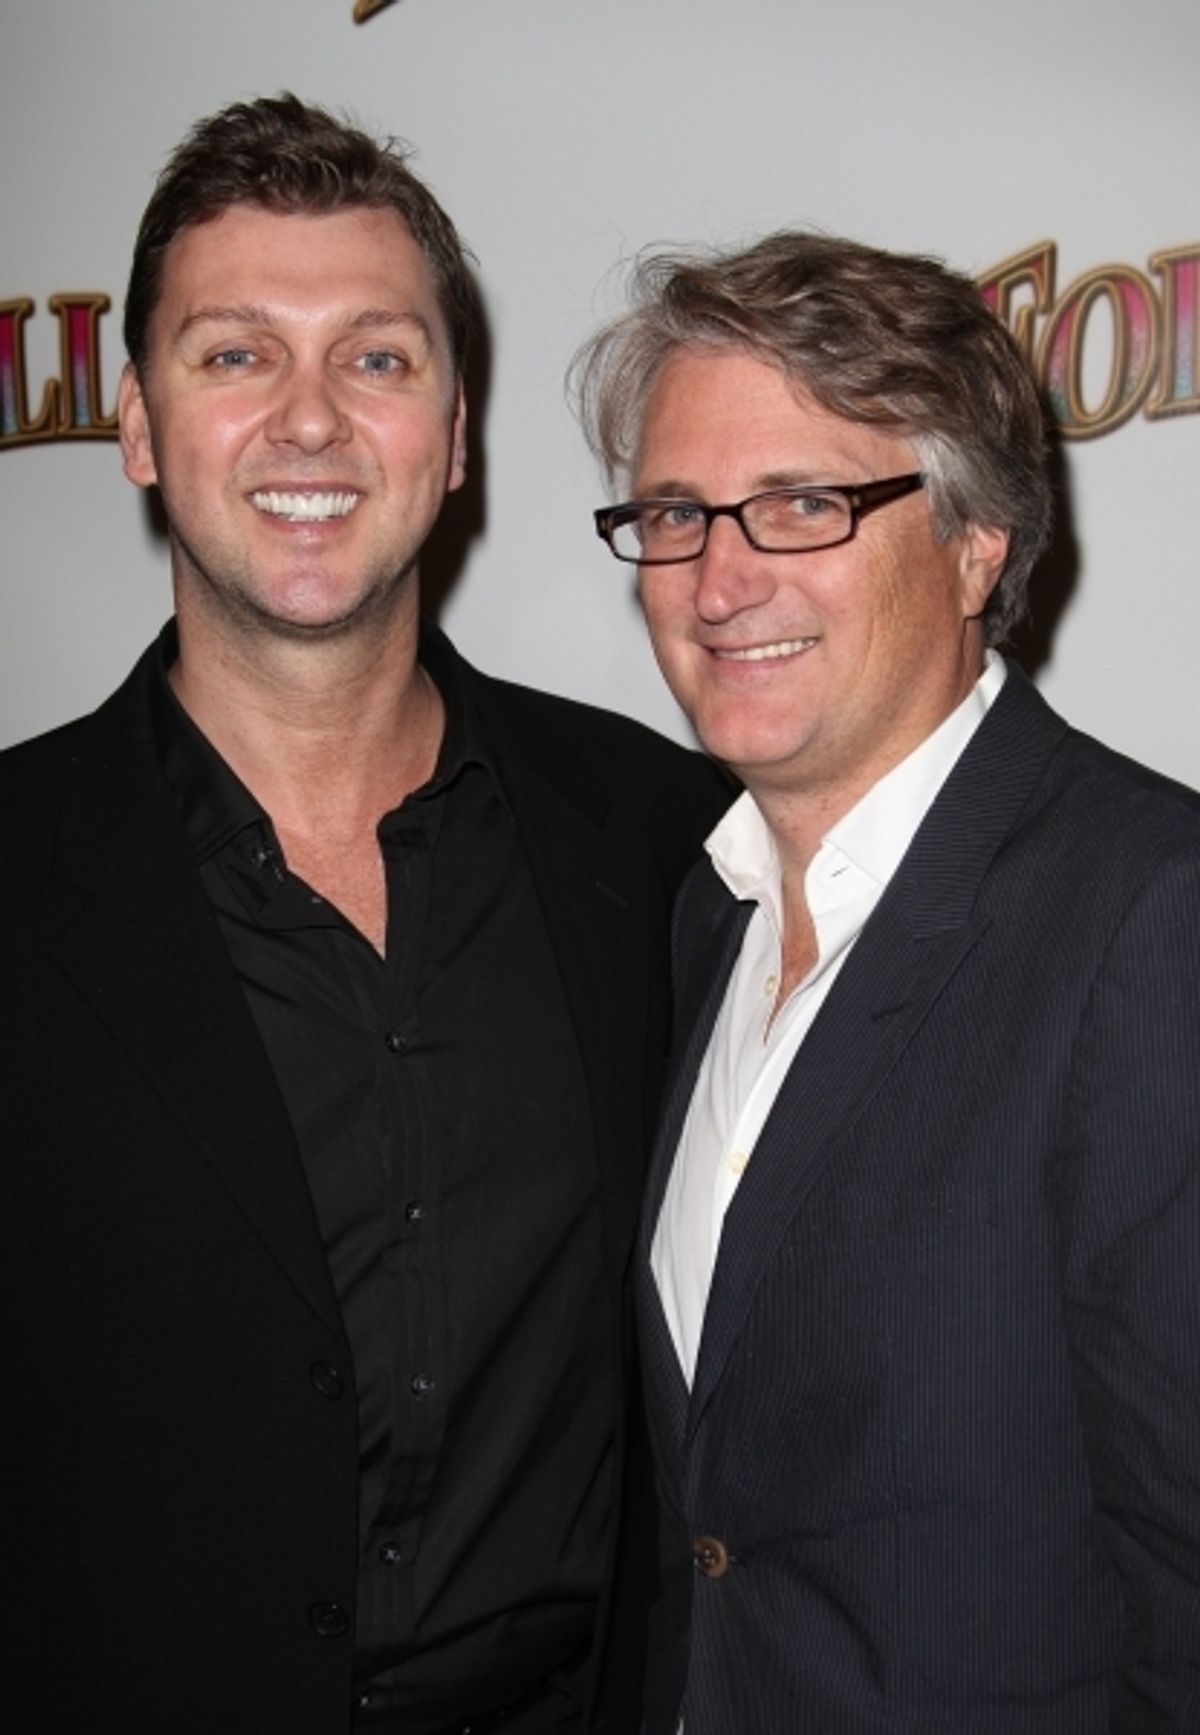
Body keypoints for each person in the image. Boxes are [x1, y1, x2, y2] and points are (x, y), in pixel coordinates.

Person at [0, 95, 727, 1735]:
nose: (311, 422)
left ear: (456, 436)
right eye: (236, 354)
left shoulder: (665, 837)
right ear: (135, 423)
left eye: (379, 360)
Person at [575, 231, 1200, 1733]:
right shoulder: (706, 914)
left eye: (803, 502)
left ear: (977, 543)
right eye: (676, 512)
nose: (721, 579)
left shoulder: (1150, 917)